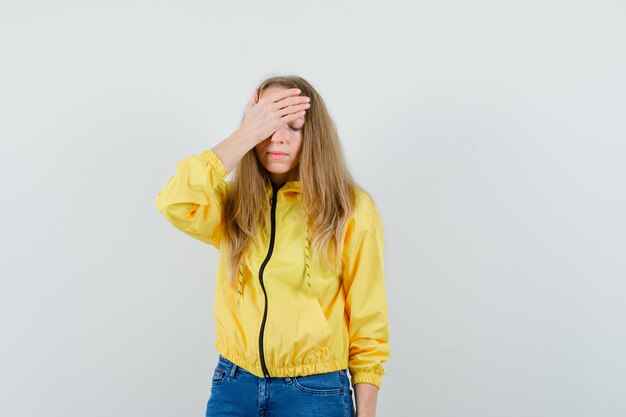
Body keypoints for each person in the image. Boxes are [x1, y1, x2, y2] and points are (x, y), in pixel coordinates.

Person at [155, 75, 390, 417]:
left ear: (313, 135)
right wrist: (246, 134)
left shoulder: (348, 208)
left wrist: (366, 410)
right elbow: (173, 202)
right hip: (234, 384)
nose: (277, 137)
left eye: (292, 125)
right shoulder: (232, 204)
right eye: (267, 123)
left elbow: (369, 318)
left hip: (316, 390)